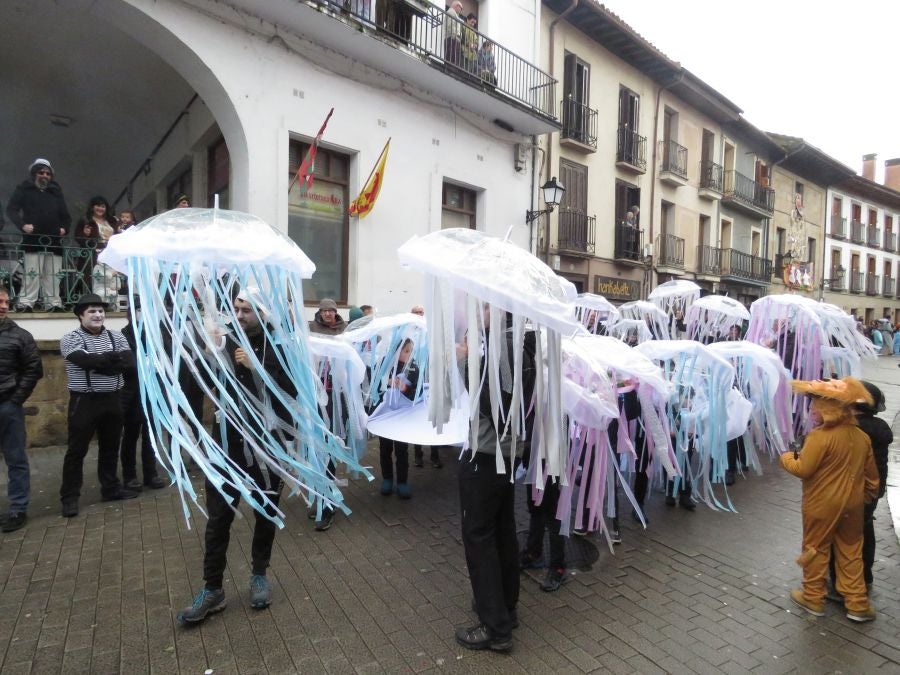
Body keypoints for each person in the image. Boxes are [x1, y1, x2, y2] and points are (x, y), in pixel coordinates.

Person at [177, 288, 297, 623]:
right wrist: (207, 353)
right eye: (237, 308)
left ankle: (259, 573)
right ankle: (212, 588)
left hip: (269, 445)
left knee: (266, 511)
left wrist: (259, 370)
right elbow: (203, 383)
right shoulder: (225, 339)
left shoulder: (283, 345)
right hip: (227, 444)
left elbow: (293, 391)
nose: (240, 315)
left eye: (246, 310)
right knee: (218, 516)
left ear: (263, 313)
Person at [455, 307, 537, 652]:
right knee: (501, 531)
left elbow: (495, 405)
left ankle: (495, 627)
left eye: (486, 305)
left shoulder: (505, 344)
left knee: (479, 537)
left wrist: (466, 362)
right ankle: (506, 607)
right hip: (505, 453)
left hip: (487, 454)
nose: (479, 311)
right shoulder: (521, 340)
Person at [780, 377, 879, 623]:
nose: (813, 409)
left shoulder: (820, 437)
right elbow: (872, 480)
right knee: (851, 550)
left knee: (815, 548)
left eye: (815, 404)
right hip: (853, 506)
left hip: (822, 505)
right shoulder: (861, 437)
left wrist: (786, 458)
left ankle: (813, 597)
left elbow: (804, 469)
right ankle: (857, 603)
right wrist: (862, 498)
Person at [59, 294, 138, 517]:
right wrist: (111, 360)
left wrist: (100, 362)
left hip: (113, 398)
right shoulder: (70, 338)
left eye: (101, 311)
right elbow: (83, 361)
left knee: (111, 446)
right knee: (76, 451)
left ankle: (111, 488)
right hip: (85, 400)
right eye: (92, 311)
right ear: (81, 315)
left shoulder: (116, 336)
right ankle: (70, 497)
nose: (98, 315)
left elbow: (129, 363)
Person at [0, 286, 43, 532]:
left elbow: (33, 369)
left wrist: (16, 399)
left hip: (8, 405)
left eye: (6, 301)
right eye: (0, 301)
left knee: (15, 458)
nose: (4, 306)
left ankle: (18, 508)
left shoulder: (20, 335)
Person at [5, 158, 71, 312]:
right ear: (35, 173)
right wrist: (22, 225)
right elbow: (11, 209)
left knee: (53, 275)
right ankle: (26, 302)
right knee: (32, 273)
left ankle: (53, 303)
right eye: (41, 172)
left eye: (48, 173)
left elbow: (66, 216)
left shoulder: (55, 191)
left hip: (53, 240)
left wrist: (64, 229)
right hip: (33, 238)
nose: (45, 176)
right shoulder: (24, 189)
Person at [119, 296, 166, 491]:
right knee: (130, 435)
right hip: (132, 393)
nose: (142, 314)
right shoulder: (123, 335)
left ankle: (151, 473)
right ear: (131, 313)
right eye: (138, 310)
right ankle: (129, 476)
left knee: (151, 435)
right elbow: (126, 362)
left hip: (152, 392)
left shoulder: (155, 333)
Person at [378, 339, 418, 498]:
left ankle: (402, 481)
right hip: (386, 417)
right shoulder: (384, 366)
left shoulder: (414, 368)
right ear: (396, 351)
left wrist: (405, 388)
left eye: (411, 351)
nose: (409, 354)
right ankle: (387, 478)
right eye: (406, 351)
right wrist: (385, 382)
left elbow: (417, 392)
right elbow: (373, 387)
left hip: (403, 416)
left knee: (402, 450)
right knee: (385, 448)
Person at [443, 1, 464, 67]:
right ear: (457, 6)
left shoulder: (453, 13)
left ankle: (451, 70)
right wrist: (455, 36)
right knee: (452, 58)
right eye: (461, 8)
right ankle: (451, 71)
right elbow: (450, 26)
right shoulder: (451, 12)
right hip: (452, 38)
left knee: (453, 58)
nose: (461, 10)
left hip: (453, 38)